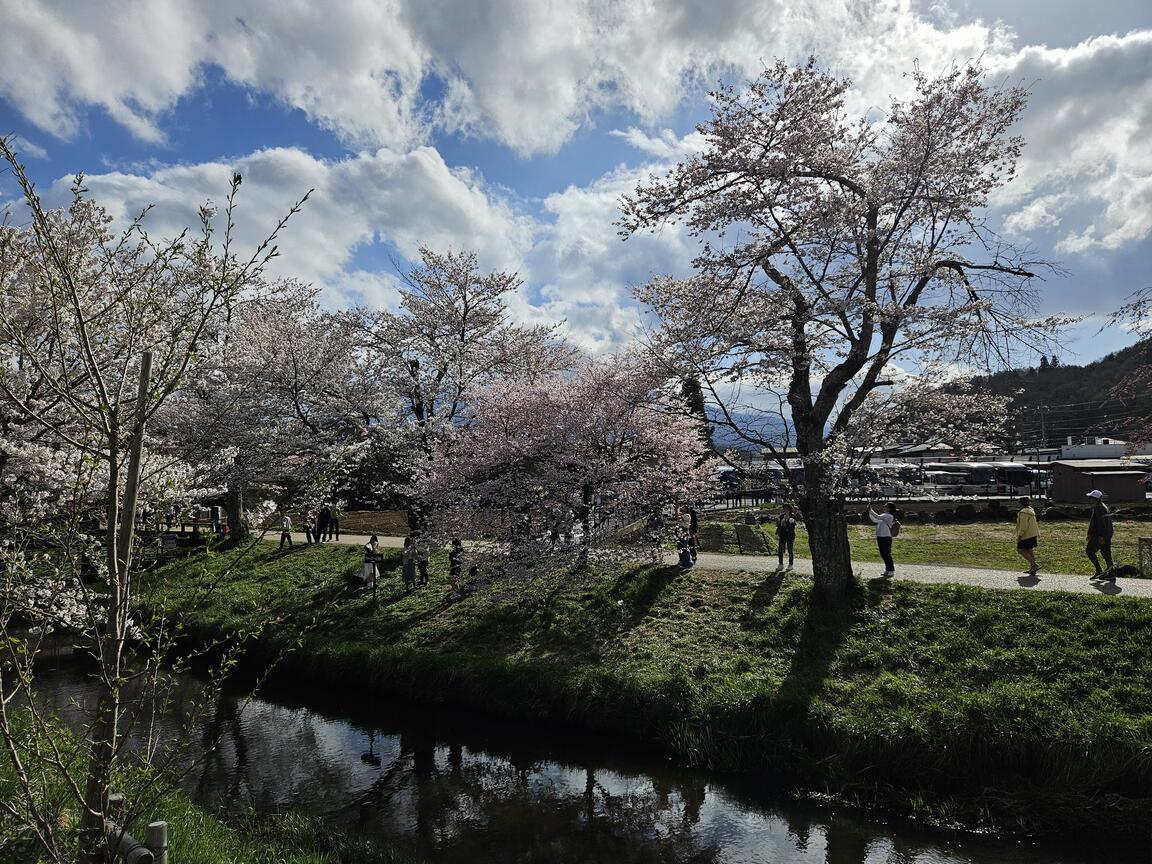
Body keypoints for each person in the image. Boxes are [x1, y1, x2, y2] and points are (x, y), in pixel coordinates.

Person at [1085, 490, 1115, 579]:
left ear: (1095, 499)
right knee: (1106, 554)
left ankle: (1099, 570)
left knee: (1089, 551)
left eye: (1090, 497)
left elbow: (1101, 523)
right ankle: (1111, 573)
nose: (1089, 499)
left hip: (1100, 535)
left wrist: (1101, 537)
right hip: (1105, 534)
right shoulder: (1101, 506)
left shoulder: (1100, 508)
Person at [868, 501, 897, 577]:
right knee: (883, 554)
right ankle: (888, 570)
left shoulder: (889, 516)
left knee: (886, 554)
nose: (884, 507)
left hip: (886, 537)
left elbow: (877, 517)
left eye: (886, 506)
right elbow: (875, 520)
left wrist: (871, 510)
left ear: (890, 508)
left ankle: (891, 570)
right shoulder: (884, 516)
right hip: (880, 536)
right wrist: (869, 512)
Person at [1015, 496, 1039, 576]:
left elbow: (1023, 526)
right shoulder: (1030, 510)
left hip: (1026, 534)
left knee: (1020, 550)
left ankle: (1034, 565)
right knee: (1029, 550)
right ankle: (1032, 569)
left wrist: (1019, 535)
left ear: (1020, 503)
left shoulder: (1023, 513)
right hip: (1033, 533)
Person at [776, 504, 797, 571]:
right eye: (784, 508)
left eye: (787, 508)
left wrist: (788, 519)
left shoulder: (793, 516)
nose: (785, 510)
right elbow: (779, 526)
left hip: (790, 536)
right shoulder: (781, 516)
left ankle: (790, 565)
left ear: (790, 509)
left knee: (790, 550)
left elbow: (793, 525)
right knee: (780, 550)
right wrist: (779, 522)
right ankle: (780, 564)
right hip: (782, 535)